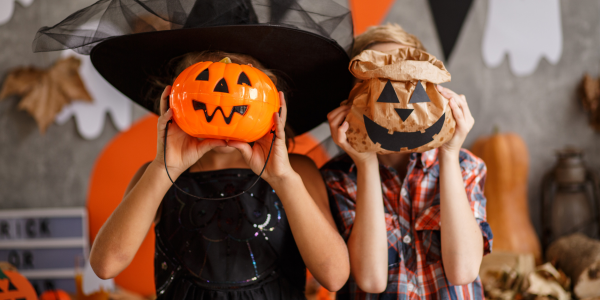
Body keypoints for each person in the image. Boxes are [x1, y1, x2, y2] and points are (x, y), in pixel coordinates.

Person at [33, 0, 355, 298]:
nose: (222, 97)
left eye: (242, 86)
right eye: (205, 80)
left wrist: (283, 178)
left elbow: (334, 275)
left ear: (272, 103)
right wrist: (163, 169)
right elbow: (106, 265)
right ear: (174, 100)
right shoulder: (158, 176)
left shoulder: (296, 172)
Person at [321, 24, 493, 299]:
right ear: (352, 99)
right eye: (382, 86)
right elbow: (371, 278)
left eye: (411, 85)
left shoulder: (466, 166)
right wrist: (365, 163)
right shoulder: (338, 177)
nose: (400, 105)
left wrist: (448, 153)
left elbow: (463, 270)